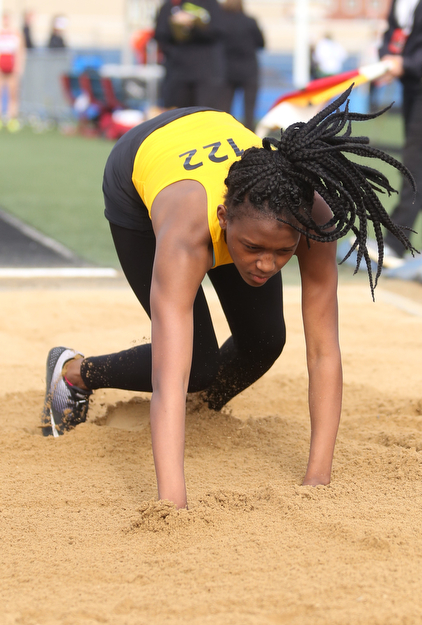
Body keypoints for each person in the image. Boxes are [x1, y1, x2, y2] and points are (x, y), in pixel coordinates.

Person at [41, 87, 416, 510]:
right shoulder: (187, 233)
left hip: (215, 142)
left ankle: (198, 409)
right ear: (224, 220)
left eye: (281, 252)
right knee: (195, 364)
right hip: (142, 166)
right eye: (253, 248)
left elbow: (324, 351)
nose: (266, 265)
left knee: (265, 341)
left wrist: (317, 478)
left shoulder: (312, 218)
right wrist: (173, 505)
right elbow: (168, 379)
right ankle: (74, 373)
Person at [367, 0, 422, 266]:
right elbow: (393, 31)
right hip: (414, 86)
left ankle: (395, 242)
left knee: (415, 163)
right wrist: (386, 59)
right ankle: (395, 241)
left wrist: (407, 63)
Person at [154, 0, 225, 109]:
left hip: (205, 73)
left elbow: (218, 31)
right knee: (179, 116)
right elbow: (160, 34)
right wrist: (177, 25)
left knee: (204, 115)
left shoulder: (210, 4)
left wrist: (193, 24)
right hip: (177, 73)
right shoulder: (171, 5)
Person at [218, 0, 264, 131]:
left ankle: (224, 134)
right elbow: (261, 43)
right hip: (248, 69)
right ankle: (250, 141)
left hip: (227, 70)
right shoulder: (250, 21)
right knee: (249, 110)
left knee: (224, 109)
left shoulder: (221, 22)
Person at [0, 12, 25, 132]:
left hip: (12, 68)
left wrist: (18, 67)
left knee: (13, 94)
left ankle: (12, 118)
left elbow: (20, 52)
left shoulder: (16, 34)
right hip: (1, 68)